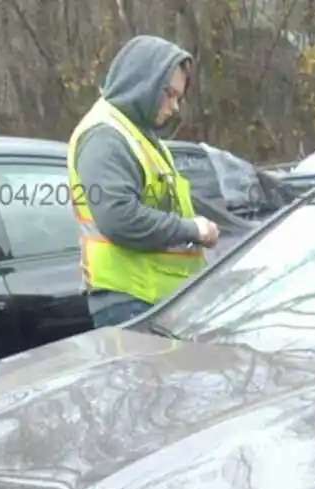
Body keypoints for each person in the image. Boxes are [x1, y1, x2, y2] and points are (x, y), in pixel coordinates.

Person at [67, 35, 220, 327]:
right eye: (170, 94)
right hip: (132, 302)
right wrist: (193, 230)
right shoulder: (105, 136)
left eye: (179, 97)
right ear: (144, 83)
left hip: (154, 302)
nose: (175, 107)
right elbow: (119, 217)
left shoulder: (140, 136)